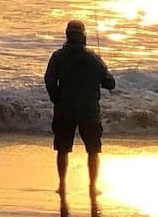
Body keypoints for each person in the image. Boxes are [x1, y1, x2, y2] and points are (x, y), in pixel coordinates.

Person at [44, 20, 116, 208]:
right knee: (93, 150)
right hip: (89, 111)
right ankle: (92, 187)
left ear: (67, 35)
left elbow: (49, 81)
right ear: (83, 36)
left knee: (62, 149)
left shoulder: (58, 57)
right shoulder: (93, 58)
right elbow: (110, 83)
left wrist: (56, 98)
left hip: (64, 109)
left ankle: (62, 184)